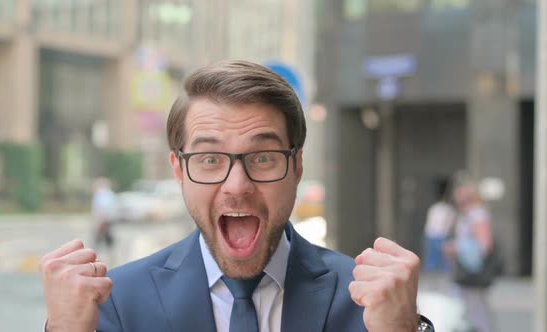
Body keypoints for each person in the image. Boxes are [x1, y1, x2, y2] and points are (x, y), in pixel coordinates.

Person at [39, 60, 434, 332]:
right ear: (179, 171)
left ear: (297, 167)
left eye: (263, 157)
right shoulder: (117, 303)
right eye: (210, 159)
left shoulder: (369, 303)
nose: (237, 185)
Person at [444, 180, 495, 332]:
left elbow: (485, 245)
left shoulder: (478, 215)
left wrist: (457, 248)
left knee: (473, 310)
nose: (459, 202)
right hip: (465, 270)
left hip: (471, 270)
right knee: (469, 309)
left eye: (462, 198)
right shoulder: (469, 215)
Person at [422, 178, 456, 273]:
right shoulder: (437, 208)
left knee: (443, 261)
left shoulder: (446, 209)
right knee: (433, 259)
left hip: (439, 236)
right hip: (434, 236)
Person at [91, 178, 117, 252]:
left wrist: (101, 221)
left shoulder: (102, 194)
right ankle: (110, 251)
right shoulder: (109, 194)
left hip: (104, 220)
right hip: (107, 219)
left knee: (99, 237)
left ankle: (93, 252)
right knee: (105, 236)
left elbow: (103, 208)